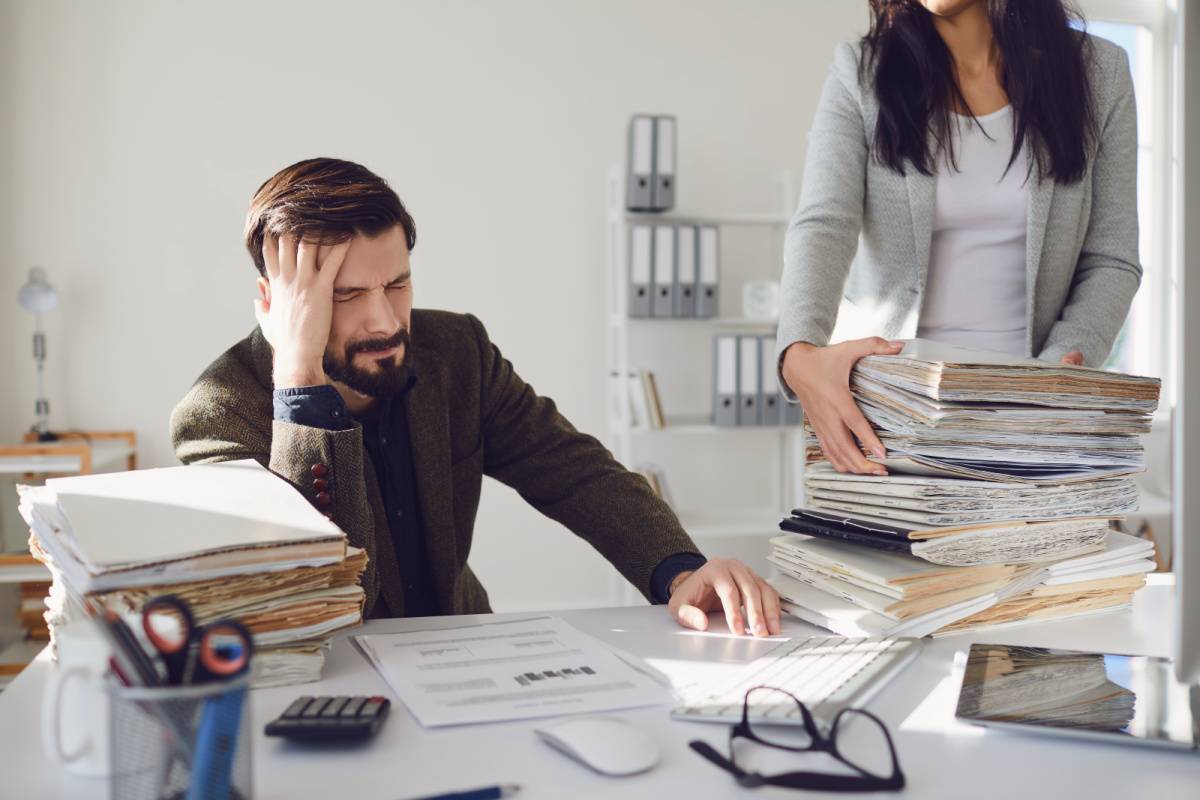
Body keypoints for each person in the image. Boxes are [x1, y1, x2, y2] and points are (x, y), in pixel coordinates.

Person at [171, 157, 781, 636]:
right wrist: (300, 378)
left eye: (398, 283)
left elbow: (576, 472)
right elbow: (309, 592)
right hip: (328, 690)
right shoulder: (218, 415)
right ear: (278, 302)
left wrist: (679, 571)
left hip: (464, 652)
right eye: (346, 296)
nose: (385, 321)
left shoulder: (456, 351)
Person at [777, 0, 1140, 475]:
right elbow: (824, 223)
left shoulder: (1100, 73)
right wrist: (798, 351)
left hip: (1034, 421)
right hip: (888, 420)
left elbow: (1112, 258)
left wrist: (1052, 375)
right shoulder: (862, 72)